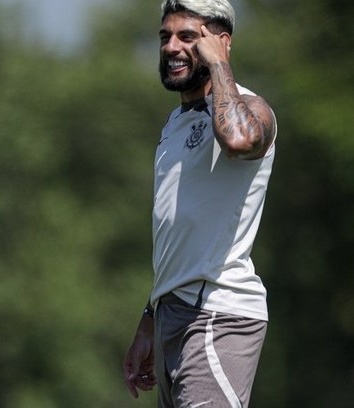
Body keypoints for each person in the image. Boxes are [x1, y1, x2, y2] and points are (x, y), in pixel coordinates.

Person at [123, 0, 276, 406]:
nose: (171, 47)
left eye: (188, 37)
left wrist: (220, 66)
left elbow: (239, 141)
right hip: (173, 315)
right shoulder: (173, 124)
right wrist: (149, 319)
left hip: (217, 316)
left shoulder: (251, 108)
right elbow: (180, 236)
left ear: (220, 43)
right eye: (165, 37)